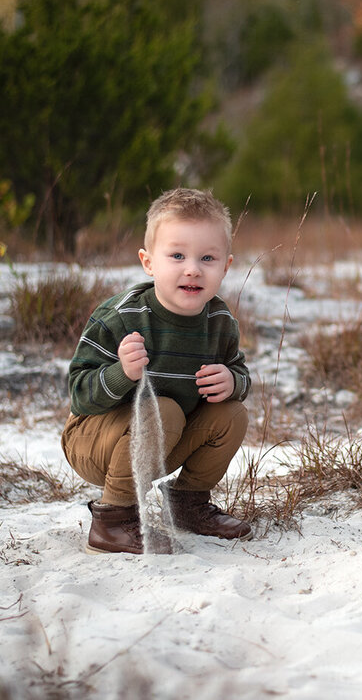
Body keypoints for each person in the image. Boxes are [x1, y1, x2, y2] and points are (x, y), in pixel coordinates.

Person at [63, 187, 253, 554]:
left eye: (207, 258)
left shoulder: (219, 321)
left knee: (232, 413)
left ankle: (187, 505)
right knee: (163, 409)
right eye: (177, 255)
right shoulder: (123, 316)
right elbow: (78, 392)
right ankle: (112, 520)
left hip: (163, 435)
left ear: (226, 266)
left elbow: (240, 372)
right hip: (94, 440)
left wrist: (232, 381)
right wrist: (122, 373)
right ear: (149, 262)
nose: (192, 269)